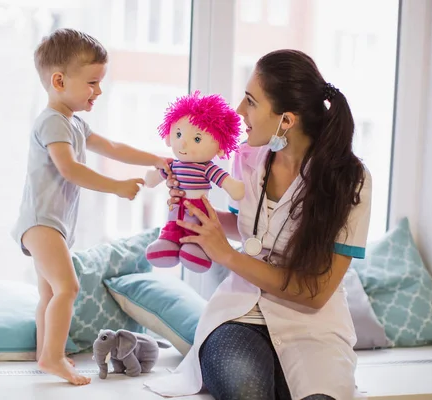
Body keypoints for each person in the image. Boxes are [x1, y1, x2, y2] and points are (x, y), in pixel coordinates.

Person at [144, 49, 372, 400]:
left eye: (251, 101)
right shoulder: (248, 159)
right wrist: (196, 215)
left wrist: (228, 256)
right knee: (248, 391)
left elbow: (316, 293)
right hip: (239, 316)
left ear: (287, 120)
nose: (238, 111)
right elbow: (247, 225)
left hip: (313, 327)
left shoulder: (350, 181)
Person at [11, 28, 170, 385]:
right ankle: (52, 356)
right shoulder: (53, 121)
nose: (99, 91)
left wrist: (157, 158)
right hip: (41, 223)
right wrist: (115, 187)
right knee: (68, 288)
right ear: (59, 80)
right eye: (93, 83)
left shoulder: (75, 123)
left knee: (50, 292)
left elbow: (113, 147)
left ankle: (46, 353)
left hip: (48, 224)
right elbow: (69, 168)